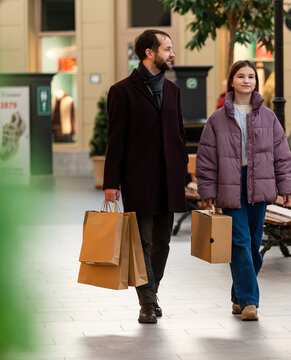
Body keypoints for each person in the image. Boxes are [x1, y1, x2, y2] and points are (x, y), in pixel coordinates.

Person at [196, 60, 291, 321]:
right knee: (239, 241)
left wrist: (286, 185)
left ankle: (237, 295)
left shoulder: (269, 116)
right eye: (241, 76)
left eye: (251, 76)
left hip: (259, 182)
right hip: (230, 184)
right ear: (231, 81)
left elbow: (282, 155)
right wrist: (208, 191)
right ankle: (250, 302)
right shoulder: (217, 119)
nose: (247, 80)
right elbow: (206, 159)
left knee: (252, 243)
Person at [103, 29, 188, 324]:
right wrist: (111, 183)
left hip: (170, 180)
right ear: (149, 53)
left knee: (163, 242)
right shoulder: (121, 91)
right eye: (167, 49)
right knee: (141, 241)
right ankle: (147, 303)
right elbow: (115, 141)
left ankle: (151, 292)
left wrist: (184, 174)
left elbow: (178, 136)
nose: (172, 54)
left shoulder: (174, 91)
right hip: (138, 180)